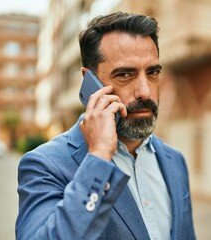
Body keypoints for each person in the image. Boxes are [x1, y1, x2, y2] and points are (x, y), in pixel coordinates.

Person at [16, 11, 196, 240]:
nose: (145, 91)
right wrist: (99, 157)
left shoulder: (174, 161)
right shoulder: (45, 165)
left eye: (152, 72)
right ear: (89, 81)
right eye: (124, 74)